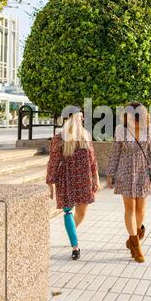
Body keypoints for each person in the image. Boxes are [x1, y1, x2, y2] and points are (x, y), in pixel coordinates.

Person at [106, 102, 151, 263]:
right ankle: (136, 246)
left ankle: (134, 237)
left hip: (142, 173)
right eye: (132, 116)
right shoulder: (121, 131)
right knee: (129, 208)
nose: (135, 120)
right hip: (125, 172)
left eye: (138, 116)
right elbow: (115, 153)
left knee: (141, 210)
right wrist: (110, 173)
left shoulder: (149, 130)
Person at [46, 109, 99, 260]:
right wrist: (50, 182)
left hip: (79, 178)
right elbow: (53, 162)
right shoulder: (60, 138)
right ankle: (75, 247)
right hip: (71, 178)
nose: (82, 120)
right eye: (80, 117)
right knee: (69, 212)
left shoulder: (84, 135)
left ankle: (71, 233)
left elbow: (92, 159)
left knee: (79, 212)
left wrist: (95, 178)